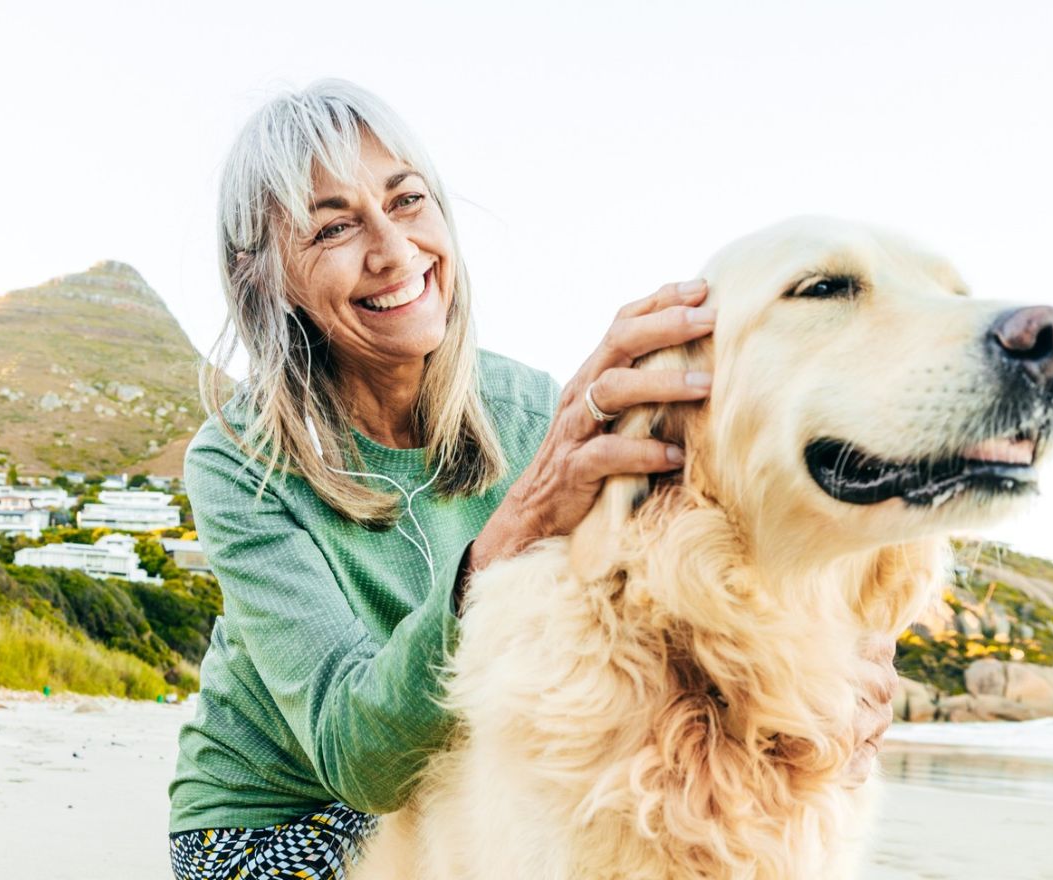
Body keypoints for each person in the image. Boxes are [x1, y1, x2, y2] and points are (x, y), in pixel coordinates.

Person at [168, 80, 893, 880]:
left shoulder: (526, 409)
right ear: (264, 277)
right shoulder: (237, 464)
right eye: (334, 226)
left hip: (464, 772)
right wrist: (522, 523)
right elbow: (358, 761)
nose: (393, 250)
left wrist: (844, 664)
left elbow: (665, 599)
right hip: (280, 824)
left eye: (407, 200)